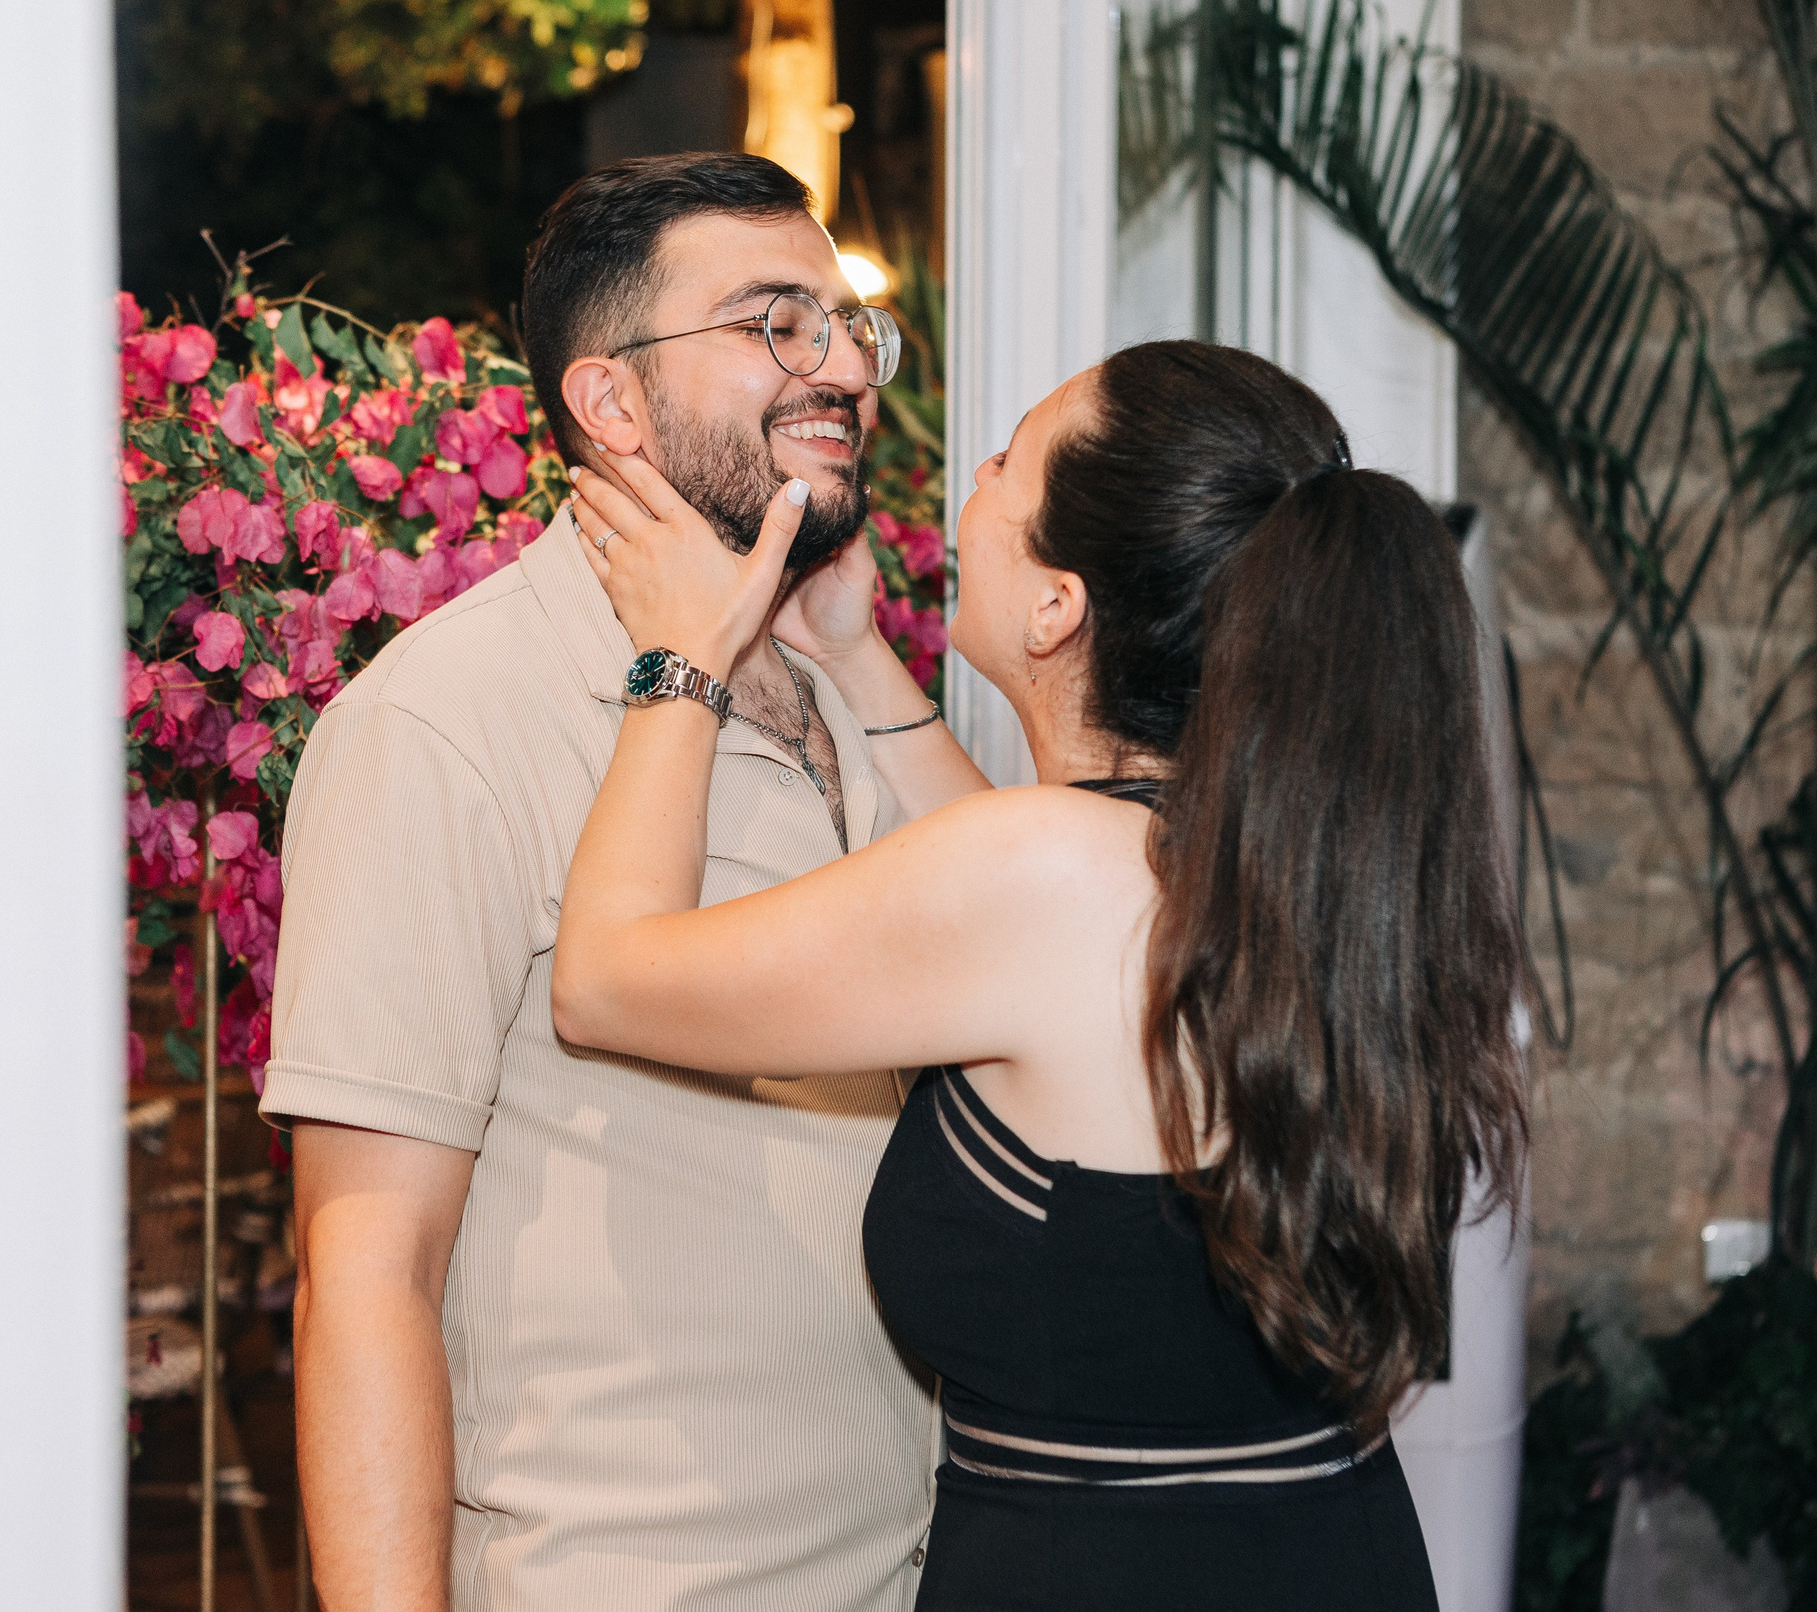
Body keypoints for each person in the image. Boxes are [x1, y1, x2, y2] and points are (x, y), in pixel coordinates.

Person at [553, 340, 1530, 1611]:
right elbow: (1043, 924)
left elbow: (607, 979)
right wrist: (853, 655)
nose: (971, 478)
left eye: (1005, 461)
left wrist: (677, 660)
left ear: (1059, 605)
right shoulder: (1294, 865)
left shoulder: (1047, 876)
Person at [259, 153, 936, 1612]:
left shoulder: (839, 687)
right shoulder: (443, 721)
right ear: (610, 401)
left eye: (843, 327)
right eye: (774, 326)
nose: (839, 372)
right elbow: (367, 1264)